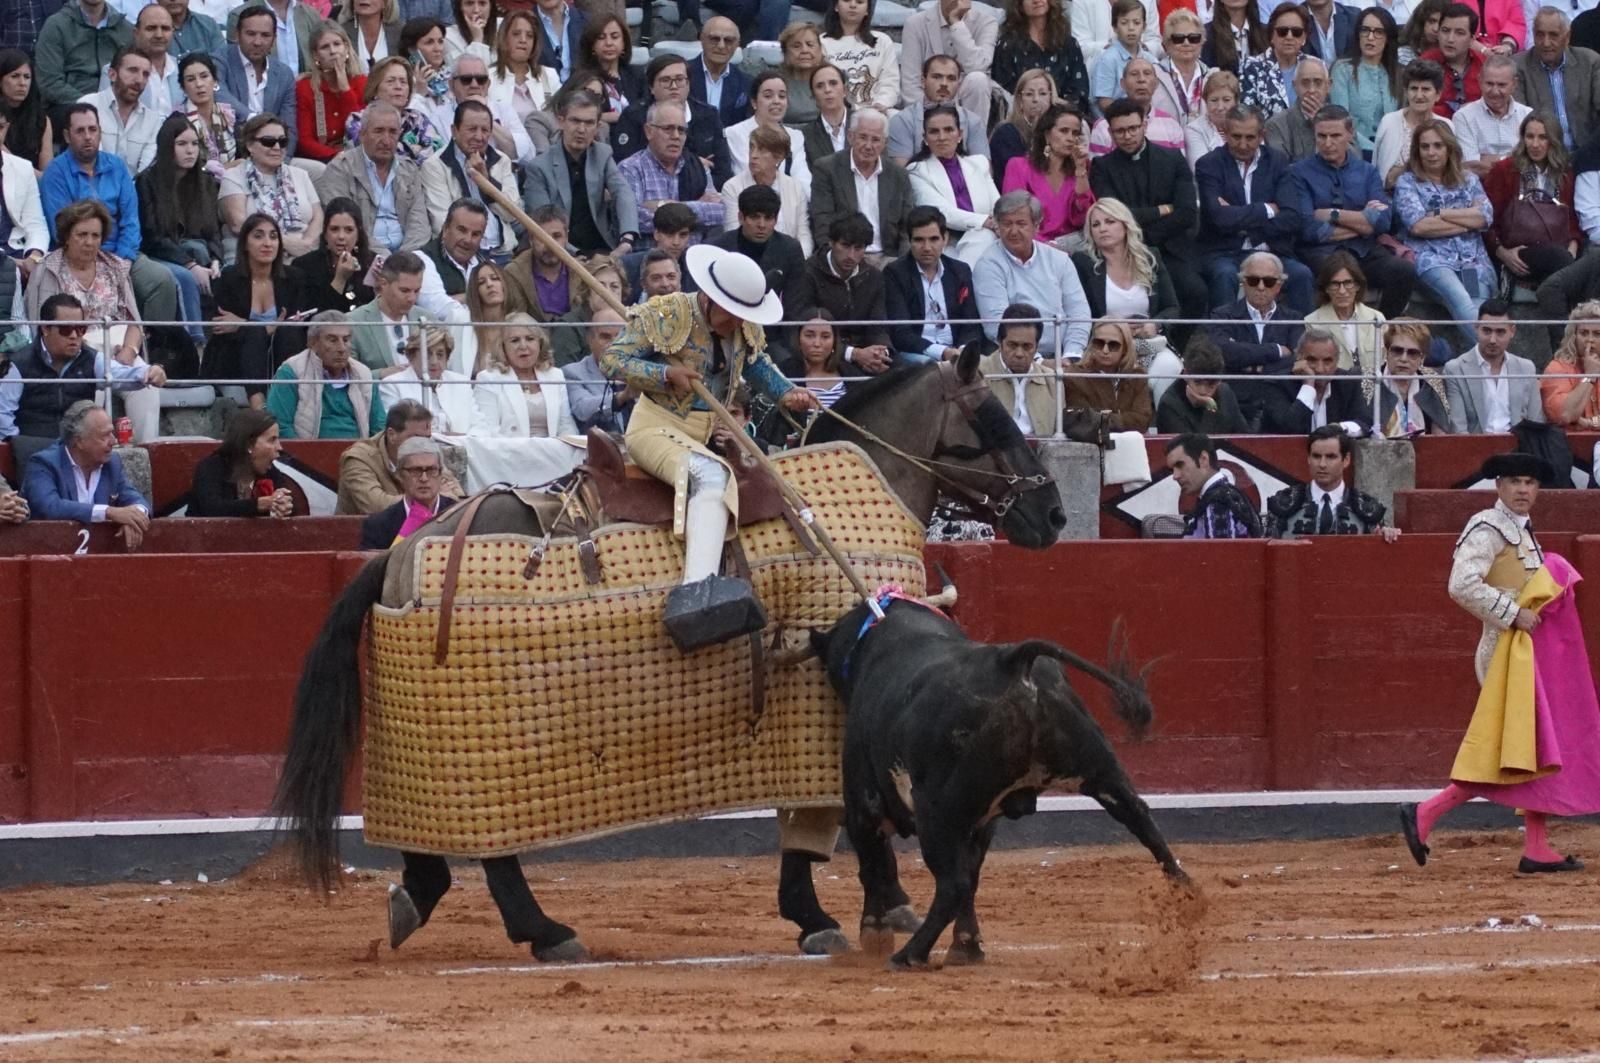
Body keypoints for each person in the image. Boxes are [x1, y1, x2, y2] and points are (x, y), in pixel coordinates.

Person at [601, 244, 820, 651]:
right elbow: (613, 361)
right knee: (710, 475)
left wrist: (788, 394)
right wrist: (665, 373)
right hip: (655, 428)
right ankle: (695, 593)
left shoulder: (742, 326)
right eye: (731, 312)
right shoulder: (667, 312)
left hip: (701, 434)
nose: (737, 321)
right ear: (710, 298)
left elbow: (757, 365)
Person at [1400, 452, 1600, 876]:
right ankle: (1426, 812)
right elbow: (1461, 584)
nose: (1523, 490)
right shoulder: (1488, 527)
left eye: (1530, 482)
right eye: (1514, 482)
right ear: (1499, 486)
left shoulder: (1522, 532)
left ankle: (1537, 846)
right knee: (1504, 753)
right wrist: (1512, 612)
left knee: (1536, 749)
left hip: (1526, 656)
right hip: (1504, 655)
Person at [26, 202, 167, 442]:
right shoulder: (48, 270)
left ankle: (145, 454)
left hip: (120, 347)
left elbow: (134, 319)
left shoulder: (114, 267)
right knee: (94, 396)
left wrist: (129, 351)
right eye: (82, 235)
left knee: (147, 388)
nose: (89, 242)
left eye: (95, 235)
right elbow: (41, 326)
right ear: (66, 237)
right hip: (77, 351)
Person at [40, 103, 178, 328]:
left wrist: (123, 259)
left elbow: (131, 220)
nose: (88, 137)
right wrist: (101, 263)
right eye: (80, 131)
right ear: (66, 135)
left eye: (93, 130)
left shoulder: (116, 166)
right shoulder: (56, 173)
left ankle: (153, 348)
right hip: (79, 257)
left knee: (161, 280)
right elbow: (61, 229)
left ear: (100, 132)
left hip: (122, 254)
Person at [1283, 104, 1417, 318]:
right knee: (1338, 271)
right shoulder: (1298, 173)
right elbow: (1308, 227)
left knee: (1403, 271)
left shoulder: (1367, 172)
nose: (1328, 143)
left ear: (1350, 134)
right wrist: (1364, 223)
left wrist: (1332, 214)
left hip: (1364, 251)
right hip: (1320, 253)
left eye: (1335, 135)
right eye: (1322, 136)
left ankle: (1382, 330)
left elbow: (1383, 222)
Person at [1089, 98, 1206, 331]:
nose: (1128, 135)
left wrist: (1140, 228)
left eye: (1133, 128)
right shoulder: (1102, 167)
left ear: (1144, 125)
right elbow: (1115, 214)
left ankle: (1177, 349)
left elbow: (1186, 213)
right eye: (1120, 131)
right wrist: (1160, 210)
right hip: (1124, 252)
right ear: (1110, 133)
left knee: (1195, 292)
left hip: (1169, 248)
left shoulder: (1172, 159)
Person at [9, 294, 160, 464]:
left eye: (80, 329)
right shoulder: (18, 364)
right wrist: (16, 448)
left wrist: (150, 372)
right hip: (33, 453)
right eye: (66, 329)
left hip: (79, 452)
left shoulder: (91, 358)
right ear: (45, 328)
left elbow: (121, 374)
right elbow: (3, 416)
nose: (74, 335)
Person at [1196, 104, 1312, 310]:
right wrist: (1267, 210)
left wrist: (1239, 219)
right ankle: (1223, 339)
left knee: (1302, 274)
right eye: (1236, 137)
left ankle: (1299, 339)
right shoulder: (1209, 164)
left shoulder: (1277, 162)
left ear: (1262, 135)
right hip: (1225, 252)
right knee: (1224, 276)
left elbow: (1293, 217)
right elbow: (1218, 218)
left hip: (1272, 250)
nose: (1242, 144)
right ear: (1225, 133)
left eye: (1249, 137)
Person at [1394, 118, 1493, 344]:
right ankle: (1499, 359)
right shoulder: (1407, 182)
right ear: (1417, 151)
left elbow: (1485, 216)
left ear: (1449, 148)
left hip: (1473, 260)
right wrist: (1467, 218)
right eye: (1425, 146)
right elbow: (1418, 225)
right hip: (1432, 259)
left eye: (1438, 146)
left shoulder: (1469, 180)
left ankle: (1485, 369)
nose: (1431, 152)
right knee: (1460, 299)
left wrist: (1440, 213)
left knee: (1478, 308)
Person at [137, 113, 221, 347]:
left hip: (196, 254)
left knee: (218, 267)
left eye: (194, 144)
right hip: (159, 253)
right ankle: (195, 344)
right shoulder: (147, 182)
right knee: (185, 277)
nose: (190, 151)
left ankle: (220, 347)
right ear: (167, 146)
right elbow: (152, 237)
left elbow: (213, 232)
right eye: (182, 144)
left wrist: (215, 260)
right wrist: (191, 266)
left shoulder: (206, 182)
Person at [207, 212, 309, 406]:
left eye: (273, 236)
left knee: (287, 334)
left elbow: (297, 325)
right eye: (258, 236)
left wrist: (243, 323)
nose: (267, 243)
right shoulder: (229, 279)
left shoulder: (295, 279)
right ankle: (258, 407)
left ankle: (287, 403)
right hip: (235, 359)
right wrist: (264, 328)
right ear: (245, 243)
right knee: (254, 335)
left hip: (280, 353)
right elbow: (220, 327)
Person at [973, 190, 1092, 354]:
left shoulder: (1059, 259)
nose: (1013, 231)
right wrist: (1039, 363)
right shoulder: (988, 265)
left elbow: (1079, 313)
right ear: (997, 227)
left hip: (1064, 355)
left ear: (1036, 226)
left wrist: (1071, 355)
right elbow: (996, 326)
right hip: (1016, 358)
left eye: (1021, 224)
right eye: (1007, 224)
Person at [522, 89, 638, 257]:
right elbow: (543, 224)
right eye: (575, 121)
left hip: (603, 248)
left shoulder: (602, 154)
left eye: (589, 123)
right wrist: (577, 256)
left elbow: (623, 192)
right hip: (561, 253)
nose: (582, 129)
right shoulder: (538, 167)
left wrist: (627, 239)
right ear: (561, 122)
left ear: (598, 127)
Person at [22, 400, 151, 548]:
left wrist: (134, 518)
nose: (113, 441)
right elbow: (51, 507)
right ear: (79, 441)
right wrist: (109, 512)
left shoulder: (112, 463)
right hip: (48, 552)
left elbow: (137, 500)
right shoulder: (43, 463)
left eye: (112, 433)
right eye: (104, 436)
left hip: (99, 557)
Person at [1206, 250, 1305, 431]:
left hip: (1279, 400)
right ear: (1243, 282)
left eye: (1268, 281)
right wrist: (1275, 350)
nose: (1261, 287)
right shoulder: (1222, 314)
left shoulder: (1294, 318)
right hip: (1236, 400)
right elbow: (1223, 353)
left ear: (1279, 285)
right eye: (1253, 280)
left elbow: (1296, 361)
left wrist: (1250, 364)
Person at [316, 101, 432, 254]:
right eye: (378, 131)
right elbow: (346, 229)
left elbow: (419, 224)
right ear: (362, 134)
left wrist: (406, 258)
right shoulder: (339, 170)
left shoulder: (409, 170)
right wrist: (385, 259)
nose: (386, 140)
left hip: (408, 257)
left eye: (392, 132)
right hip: (363, 254)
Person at [785, 213, 893, 373]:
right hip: (820, 356)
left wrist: (880, 353)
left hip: (865, 356)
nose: (851, 255)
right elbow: (798, 328)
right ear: (831, 242)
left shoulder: (874, 277)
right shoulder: (807, 273)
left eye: (858, 248)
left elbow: (878, 327)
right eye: (845, 246)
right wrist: (853, 354)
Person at [1484, 111, 1578, 293]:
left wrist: (1572, 250)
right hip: (1518, 253)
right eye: (1530, 137)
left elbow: (1573, 220)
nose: (1535, 144)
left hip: (1559, 252)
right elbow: (1488, 220)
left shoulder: (1565, 173)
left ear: (1554, 141)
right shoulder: (1505, 170)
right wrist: (1503, 253)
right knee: (1558, 259)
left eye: (1543, 137)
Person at [612, 55, 733, 191]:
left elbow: (723, 172)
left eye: (680, 80)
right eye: (665, 80)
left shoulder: (709, 115)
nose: (673, 86)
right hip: (652, 192)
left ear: (688, 84)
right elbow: (626, 166)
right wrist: (694, 164)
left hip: (703, 193)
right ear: (651, 87)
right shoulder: (634, 116)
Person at [883, 206, 985, 364]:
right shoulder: (895, 273)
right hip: (917, 354)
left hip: (956, 352)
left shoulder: (960, 270)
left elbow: (970, 324)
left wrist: (964, 351)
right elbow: (900, 333)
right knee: (930, 369)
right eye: (919, 240)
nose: (927, 248)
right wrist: (943, 352)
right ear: (909, 241)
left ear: (945, 238)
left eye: (933, 239)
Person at [1072, 198, 1180, 347]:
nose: (1102, 229)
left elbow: (1172, 308)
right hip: (1105, 346)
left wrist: (1155, 325)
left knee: (1169, 365)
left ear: (1125, 224)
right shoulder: (1083, 263)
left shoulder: (1150, 257)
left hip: (1147, 342)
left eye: (1110, 222)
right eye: (1095, 225)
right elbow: (1079, 315)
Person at [810, 109, 915, 259]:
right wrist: (834, 260)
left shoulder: (898, 175)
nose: (868, 145)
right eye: (863, 137)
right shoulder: (827, 169)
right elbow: (822, 223)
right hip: (844, 257)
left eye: (876, 140)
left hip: (888, 257)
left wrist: (905, 263)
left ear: (885, 143)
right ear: (850, 137)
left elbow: (907, 227)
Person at [220, 113, 324, 264]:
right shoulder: (233, 176)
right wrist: (286, 243)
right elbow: (238, 224)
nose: (277, 147)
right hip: (250, 262)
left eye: (282, 142)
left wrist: (306, 244)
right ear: (249, 145)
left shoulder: (300, 175)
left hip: (301, 260)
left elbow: (318, 217)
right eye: (268, 142)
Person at [267, 310, 388, 439]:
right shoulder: (292, 371)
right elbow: (281, 426)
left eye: (346, 340)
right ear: (312, 343)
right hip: (307, 455)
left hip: (357, 455)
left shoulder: (364, 375)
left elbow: (379, 428)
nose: (341, 348)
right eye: (332, 340)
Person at [906, 103, 1001, 265]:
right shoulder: (916, 171)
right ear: (925, 138)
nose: (942, 137)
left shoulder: (979, 163)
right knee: (983, 238)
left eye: (949, 130)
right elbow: (942, 213)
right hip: (946, 241)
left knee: (986, 239)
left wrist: (998, 222)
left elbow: (998, 205)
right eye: (934, 131)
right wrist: (985, 222)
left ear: (960, 134)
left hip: (988, 235)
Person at [421, 107, 518, 261]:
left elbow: (512, 214)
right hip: (460, 255)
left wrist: (486, 182)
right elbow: (441, 222)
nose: (479, 137)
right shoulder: (435, 166)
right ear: (454, 130)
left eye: (485, 130)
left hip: (501, 251)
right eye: (472, 129)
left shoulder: (501, 160)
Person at [618, 100, 724, 239]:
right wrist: (698, 207)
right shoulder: (631, 169)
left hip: (693, 256)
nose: (675, 136)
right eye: (668, 129)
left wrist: (664, 205)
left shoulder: (698, 167)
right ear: (649, 131)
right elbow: (636, 219)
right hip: (649, 256)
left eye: (681, 130)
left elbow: (721, 212)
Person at [335, 396, 462, 512]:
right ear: (392, 435)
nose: (422, 444)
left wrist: (442, 497)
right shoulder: (359, 458)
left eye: (427, 438)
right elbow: (375, 506)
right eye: (415, 437)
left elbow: (458, 496)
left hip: (421, 532)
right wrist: (434, 497)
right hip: (366, 533)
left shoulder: (428, 452)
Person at [1265, 424, 1394, 537]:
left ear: (1346, 460)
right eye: (1316, 456)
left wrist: (1385, 536)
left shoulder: (1368, 509)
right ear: (1308, 459)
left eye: (1330, 457)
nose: (1322, 464)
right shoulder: (1283, 504)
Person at [1000, 102, 1092, 250]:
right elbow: (1014, 217)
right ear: (1047, 135)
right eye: (1064, 131)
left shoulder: (1082, 167)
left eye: (1075, 133)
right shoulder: (1018, 166)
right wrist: (1047, 248)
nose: (1070, 138)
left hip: (1075, 247)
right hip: (1032, 246)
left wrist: (1080, 170)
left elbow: (1082, 219)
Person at [1441, 299, 1543, 432]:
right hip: (1475, 448)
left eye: (1500, 332)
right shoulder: (1455, 369)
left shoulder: (1526, 368)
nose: (1493, 340)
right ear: (1476, 328)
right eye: (1487, 331)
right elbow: (1458, 428)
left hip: (1520, 448)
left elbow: (1536, 422)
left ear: (1512, 332)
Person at [721, 125, 814, 258]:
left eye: (761, 150)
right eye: (751, 148)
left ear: (779, 157)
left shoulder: (795, 187)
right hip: (748, 262)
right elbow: (733, 234)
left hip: (789, 261)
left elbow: (803, 234)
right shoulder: (732, 187)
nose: (753, 156)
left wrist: (798, 260)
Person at [188, 407, 297, 517]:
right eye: (272, 440)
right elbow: (212, 508)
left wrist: (284, 506)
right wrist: (260, 504)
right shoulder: (212, 467)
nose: (279, 447)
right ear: (249, 444)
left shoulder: (270, 471)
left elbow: (293, 508)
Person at [1513, 8, 1598, 151]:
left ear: (1568, 37)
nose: (1546, 43)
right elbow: (1520, 121)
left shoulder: (1590, 62)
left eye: (1553, 35)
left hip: (1585, 154)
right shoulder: (1518, 66)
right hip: (1540, 155)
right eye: (1540, 35)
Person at [219, 5, 300, 153]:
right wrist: (253, 120)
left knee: (317, 171)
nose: (257, 42)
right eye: (250, 34)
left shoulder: (284, 74)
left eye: (265, 35)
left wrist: (283, 161)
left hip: (273, 154)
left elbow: (290, 128)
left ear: (274, 39)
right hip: (231, 154)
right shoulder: (220, 60)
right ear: (237, 34)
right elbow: (219, 94)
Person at [887, 54, 991, 166]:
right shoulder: (902, 121)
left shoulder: (973, 122)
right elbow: (902, 174)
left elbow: (984, 170)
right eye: (937, 77)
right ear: (923, 81)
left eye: (951, 78)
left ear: (959, 85)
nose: (944, 84)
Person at [358, 434, 459, 548]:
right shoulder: (379, 525)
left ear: (441, 474)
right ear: (400, 476)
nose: (424, 478)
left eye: (431, 470)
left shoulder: (460, 516)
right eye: (415, 471)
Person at [344, 56, 447, 166]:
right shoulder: (358, 120)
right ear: (375, 89)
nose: (398, 87)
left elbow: (440, 150)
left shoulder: (417, 119)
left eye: (403, 82)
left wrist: (403, 150)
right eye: (390, 81)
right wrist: (415, 149)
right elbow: (378, 158)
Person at [903, 0, 1001, 115]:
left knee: (978, 79)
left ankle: (975, 132)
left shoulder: (987, 22)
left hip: (965, 98)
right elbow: (910, 84)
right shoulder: (915, 24)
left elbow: (978, 66)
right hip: (926, 104)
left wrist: (956, 24)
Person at [1063, 318, 1153, 440]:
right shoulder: (1075, 376)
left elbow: (1142, 420)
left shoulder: (1137, 376)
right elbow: (1083, 421)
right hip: (1091, 446)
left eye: (1113, 345)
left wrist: (1103, 418)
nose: (1105, 350)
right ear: (1091, 344)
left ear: (1125, 348)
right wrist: (1123, 419)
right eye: (1099, 343)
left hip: (1130, 446)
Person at [34, 0, 133, 111]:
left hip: (116, 105)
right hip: (69, 105)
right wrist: (89, 103)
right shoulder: (56, 26)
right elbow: (49, 82)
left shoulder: (125, 29)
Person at [712, 185, 807, 301]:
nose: (762, 225)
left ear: (776, 220)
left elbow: (796, 302)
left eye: (768, 218)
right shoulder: (718, 247)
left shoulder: (790, 249)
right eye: (754, 217)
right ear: (741, 218)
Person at [975, 302, 1057, 435]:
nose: (1019, 353)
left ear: (1036, 347)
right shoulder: (978, 374)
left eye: (1027, 347)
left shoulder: (1052, 381)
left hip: (1039, 452)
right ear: (999, 343)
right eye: (1012, 345)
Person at [724, 72, 813, 194]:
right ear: (754, 102)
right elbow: (750, 175)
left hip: (791, 202)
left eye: (782, 96)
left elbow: (803, 180)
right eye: (768, 96)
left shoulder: (796, 136)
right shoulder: (734, 133)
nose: (776, 101)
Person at [1330, 6, 1401, 158]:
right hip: (1355, 149)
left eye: (1378, 32)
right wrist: (1374, 149)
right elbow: (1342, 120)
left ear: (1388, 37)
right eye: (1365, 30)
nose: (1370, 37)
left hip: (1392, 149)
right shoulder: (1342, 69)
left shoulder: (1398, 73)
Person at [348, 251, 437, 373]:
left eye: (417, 290)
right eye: (404, 290)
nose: (412, 298)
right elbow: (346, 375)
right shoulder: (353, 322)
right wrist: (382, 374)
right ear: (383, 284)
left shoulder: (430, 320)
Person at [990, 0, 1087, 109]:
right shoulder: (1007, 45)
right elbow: (1003, 91)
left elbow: (1079, 90)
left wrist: (1057, 107)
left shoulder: (1069, 44)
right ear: (1019, 5)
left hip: (1061, 115)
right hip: (1022, 115)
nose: (1036, 1)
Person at [289, 197, 377, 317]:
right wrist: (340, 279)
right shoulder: (304, 267)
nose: (341, 236)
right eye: (334, 229)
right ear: (325, 233)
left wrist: (381, 290)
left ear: (358, 233)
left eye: (349, 230)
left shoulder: (371, 263)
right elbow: (316, 319)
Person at [81, 45, 161, 175]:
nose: (139, 80)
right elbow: (88, 162)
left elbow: (145, 173)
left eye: (145, 74)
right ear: (112, 74)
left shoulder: (153, 120)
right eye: (132, 70)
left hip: (135, 192)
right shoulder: (88, 106)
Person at [1164, 432, 1262, 538]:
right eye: (1172, 469)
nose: (1175, 476)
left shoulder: (1219, 502)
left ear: (1203, 459)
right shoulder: (1220, 496)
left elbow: (1220, 553)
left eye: (1180, 465)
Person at [442, 52, 533, 166]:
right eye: (466, 79)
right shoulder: (439, 116)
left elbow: (528, 155)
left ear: (488, 84)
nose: (474, 85)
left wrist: (487, 116)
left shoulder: (504, 109)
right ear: (451, 85)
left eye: (481, 80)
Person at [379, 325, 473, 435]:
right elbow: (398, 432)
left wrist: (463, 439)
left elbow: (480, 428)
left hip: (463, 449)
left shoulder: (461, 383)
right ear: (411, 356)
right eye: (427, 354)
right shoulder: (393, 385)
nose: (434, 361)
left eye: (440, 354)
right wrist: (447, 438)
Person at [1304, 249, 1388, 370]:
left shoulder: (1377, 318)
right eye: (1335, 284)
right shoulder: (1312, 323)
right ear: (1326, 288)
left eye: (1348, 283)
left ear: (1358, 285)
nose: (1342, 291)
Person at [1375, 58, 1450, 190]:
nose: (1419, 95)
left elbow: (1451, 172)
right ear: (1406, 92)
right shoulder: (1389, 122)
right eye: (1414, 89)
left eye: (1426, 89)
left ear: (1438, 94)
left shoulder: (1446, 125)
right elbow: (1383, 176)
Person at [297, 22, 366, 162]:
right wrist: (337, 156)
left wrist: (345, 89)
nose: (333, 51)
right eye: (325, 47)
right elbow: (304, 140)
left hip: (358, 156)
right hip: (321, 160)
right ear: (316, 55)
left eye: (337, 44)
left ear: (346, 49)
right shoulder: (305, 87)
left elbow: (360, 131)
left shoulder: (362, 82)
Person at [1089, 57, 1186, 155]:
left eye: (1147, 73)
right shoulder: (1104, 126)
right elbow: (1099, 167)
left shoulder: (1171, 125)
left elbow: (1179, 167)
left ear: (1156, 83)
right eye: (1134, 74)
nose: (1141, 79)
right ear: (1123, 84)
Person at [1369, 318, 1450, 434]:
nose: (1403, 359)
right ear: (1386, 352)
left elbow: (1440, 435)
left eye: (1412, 353)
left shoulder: (1432, 381)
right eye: (1397, 350)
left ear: (1422, 358)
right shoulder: (1369, 381)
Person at [1454, 53, 1528, 176]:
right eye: (1489, 84)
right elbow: (1470, 168)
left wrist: (1489, 159)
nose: (1495, 91)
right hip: (1479, 190)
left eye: (1501, 85)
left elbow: (1531, 163)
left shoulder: (1527, 115)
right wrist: (1513, 159)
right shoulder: (1463, 117)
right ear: (1480, 81)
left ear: (1514, 85)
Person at [1238, 2, 1314, 121]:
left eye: (1296, 32)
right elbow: (1247, 115)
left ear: (1304, 38)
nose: (1289, 37)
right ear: (1272, 36)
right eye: (1282, 31)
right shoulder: (1252, 67)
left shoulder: (1315, 66)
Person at [563, 306, 633, 434]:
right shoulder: (573, 373)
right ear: (590, 340)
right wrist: (622, 397)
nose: (614, 344)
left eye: (620, 336)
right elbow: (582, 410)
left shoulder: (642, 368)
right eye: (605, 337)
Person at [821, 0, 899, 114]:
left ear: (867, 10)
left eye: (860, 2)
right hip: (839, 111)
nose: (853, 5)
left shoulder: (882, 41)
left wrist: (880, 105)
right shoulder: (822, 42)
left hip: (878, 110)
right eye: (847, 0)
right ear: (836, 6)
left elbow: (890, 82)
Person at [487, 9, 560, 128]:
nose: (523, 40)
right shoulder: (488, 77)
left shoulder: (549, 75)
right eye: (516, 34)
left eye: (530, 36)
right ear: (504, 38)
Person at [1156, 339, 1248, 432]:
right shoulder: (1169, 404)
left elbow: (1244, 439)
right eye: (1197, 382)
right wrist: (1211, 406)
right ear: (1185, 375)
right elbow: (1197, 445)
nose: (1203, 391)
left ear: (1219, 380)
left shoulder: (1225, 393)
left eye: (1211, 384)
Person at [989, 68, 1058, 185]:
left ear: (1051, 98)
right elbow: (1016, 176)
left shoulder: (1060, 130)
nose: (1036, 99)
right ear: (1020, 100)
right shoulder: (1006, 133)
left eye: (1042, 94)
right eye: (1029, 94)